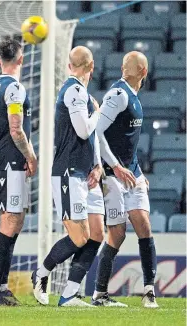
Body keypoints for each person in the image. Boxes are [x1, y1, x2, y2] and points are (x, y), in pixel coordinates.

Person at [31, 46, 104, 307]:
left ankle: (70, 293)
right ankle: (41, 273)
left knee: (96, 233)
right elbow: (84, 130)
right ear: (91, 66)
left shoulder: (82, 93)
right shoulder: (73, 90)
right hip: (68, 173)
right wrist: (99, 111)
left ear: (69, 66)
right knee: (79, 237)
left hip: (87, 174)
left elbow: (90, 138)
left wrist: (98, 165)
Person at [92, 51, 158, 308]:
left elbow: (126, 141)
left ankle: (149, 291)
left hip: (131, 172)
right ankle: (100, 294)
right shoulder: (117, 96)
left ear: (140, 71)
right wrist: (116, 167)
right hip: (112, 174)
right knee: (117, 234)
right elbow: (97, 132)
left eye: (128, 66)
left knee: (143, 224)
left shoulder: (134, 98)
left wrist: (136, 170)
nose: (124, 68)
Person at [0, 37, 37, 306]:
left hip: (5, 158)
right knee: (10, 220)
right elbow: (16, 129)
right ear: (21, 60)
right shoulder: (14, 88)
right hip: (9, 160)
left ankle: (1, 285)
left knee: (14, 220)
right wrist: (31, 155)